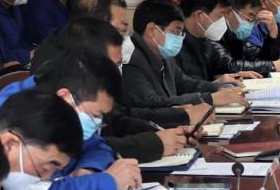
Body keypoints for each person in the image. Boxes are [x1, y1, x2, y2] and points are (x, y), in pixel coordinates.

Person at [0, 47, 141, 190]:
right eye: (95, 115)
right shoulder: (10, 116)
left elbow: (97, 146)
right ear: (65, 96)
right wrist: (106, 183)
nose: (97, 123)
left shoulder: (64, 109)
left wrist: (88, 169)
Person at [54, 16, 192, 161]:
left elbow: (118, 121)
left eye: (120, 64)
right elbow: (86, 149)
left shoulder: (99, 88)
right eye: (114, 65)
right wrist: (156, 144)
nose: (118, 71)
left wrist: (168, 134)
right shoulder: (49, 100)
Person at [122, 0, 246, 110]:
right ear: (152, 30)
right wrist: (209, 99)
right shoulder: (130, 59)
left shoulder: (163, 55)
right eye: (175, 32)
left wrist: (219, 87)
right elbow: (152, 103)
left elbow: (185, 84)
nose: (179, 38)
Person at [176, 0, 258, 85]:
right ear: (200, 16)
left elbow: (204, 79)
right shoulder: (174, 47)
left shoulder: (203, 40)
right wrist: (215, 85)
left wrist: (229, 77)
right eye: (221, 15)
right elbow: (183, 90)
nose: (224, 20)